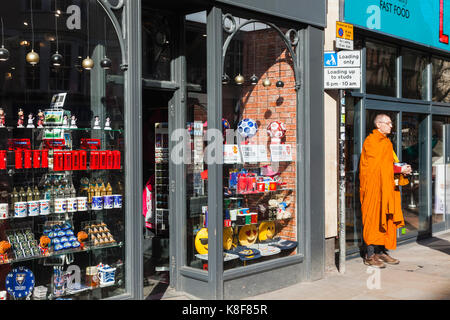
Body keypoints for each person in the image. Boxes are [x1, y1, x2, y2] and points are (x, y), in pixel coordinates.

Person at [359, 114, 412, 268]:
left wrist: (402, 168)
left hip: (386, 187)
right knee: (373, 219)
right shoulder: (371, 142)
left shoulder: (387, 143)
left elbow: (391, 163)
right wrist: (397, 168)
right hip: (373, 188)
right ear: (378, 125)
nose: (391, 126)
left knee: (387, 218)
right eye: (388, 123)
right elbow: (375, 167)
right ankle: (370, 255)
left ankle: (381, 251)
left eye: (390, 123)